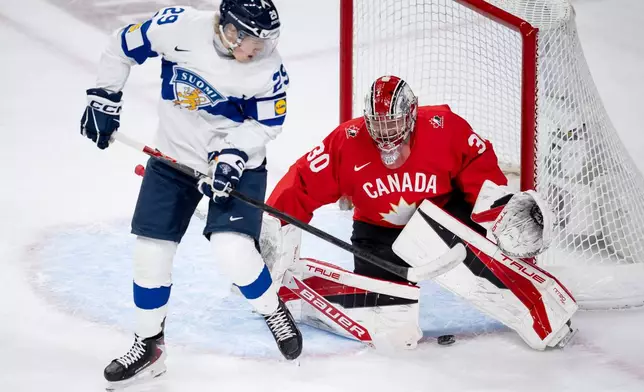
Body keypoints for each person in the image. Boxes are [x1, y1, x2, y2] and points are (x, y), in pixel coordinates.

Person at [264, 75, 576, 351]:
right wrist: (270, 228)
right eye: (378, 124)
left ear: (411, 114)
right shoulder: (347, 141)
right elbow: (302, 182)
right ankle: (298, 290)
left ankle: (544, 311)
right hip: (378, 234)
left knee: (488, 267)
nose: (386, 134)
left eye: (394, 123)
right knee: (393, 333)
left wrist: (497, 209)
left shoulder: (443, 126)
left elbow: (477, 166)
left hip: (441, 218)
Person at [79, 0, 301, 387]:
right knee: (150, 252)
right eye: (253, 42)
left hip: (237, 164)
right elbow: (120, 46)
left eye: (267, 43)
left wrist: (231, 156)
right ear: (229, 30)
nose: (259, 51)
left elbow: (267, 125)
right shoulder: (176, 26)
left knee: (232, 252)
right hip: (173, 156)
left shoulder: (268, 70)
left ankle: (271, 309)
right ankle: (149, 346)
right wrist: (104, 98)